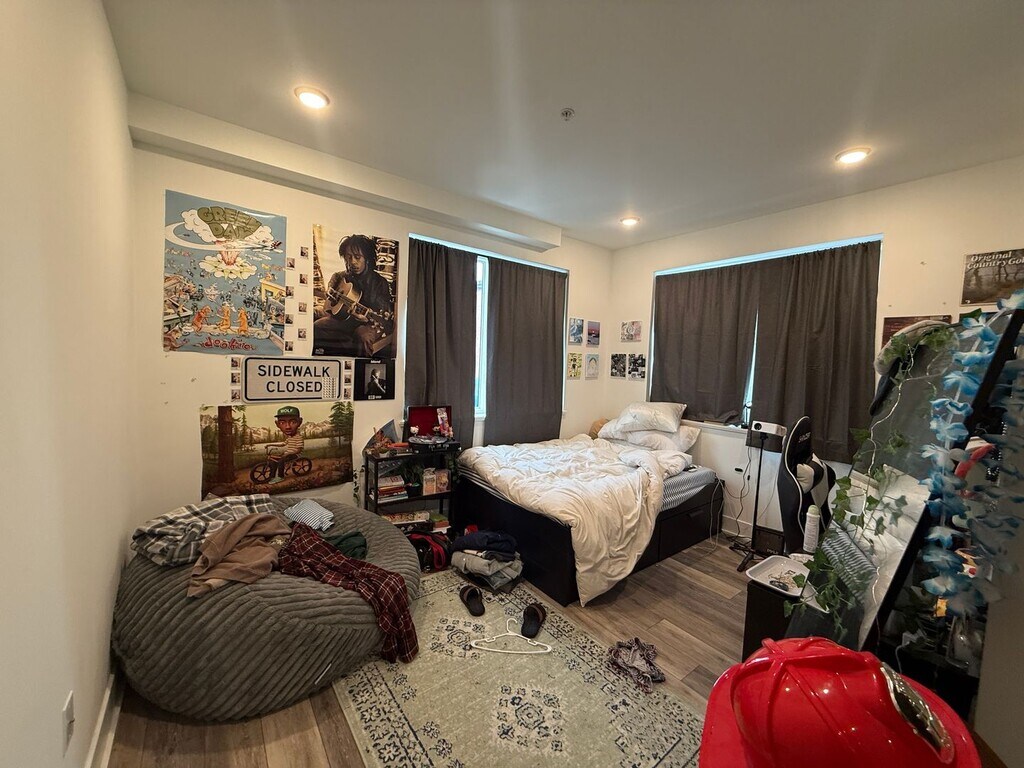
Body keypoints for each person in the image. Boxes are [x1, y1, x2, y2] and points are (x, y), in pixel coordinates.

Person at [314, 235, 394, 356]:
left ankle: (359, 365)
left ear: (367, 258)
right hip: (343, 319)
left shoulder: (379, 282)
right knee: (317, 326)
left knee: (362, 336)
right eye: (349, 257)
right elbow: (331, 289)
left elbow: (383, 313)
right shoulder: (340, 276)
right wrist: (331, 291)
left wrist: (366, 318)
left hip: (369, 322)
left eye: (357, 257)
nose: (353, 262)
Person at [265, 405, 304, 484]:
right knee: (272, 460)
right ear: (277, 424)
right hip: (287, 454)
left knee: (281, 460)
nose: (288, 427)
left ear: (299, 422)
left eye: (293, 422)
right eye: (282, 422)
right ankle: (272, 475)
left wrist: (288, 453)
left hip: (294, 455)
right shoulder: (290, 437)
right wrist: (270, 445)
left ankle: (280, 476)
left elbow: (299, 449)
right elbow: (283, 444)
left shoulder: (299, 437)